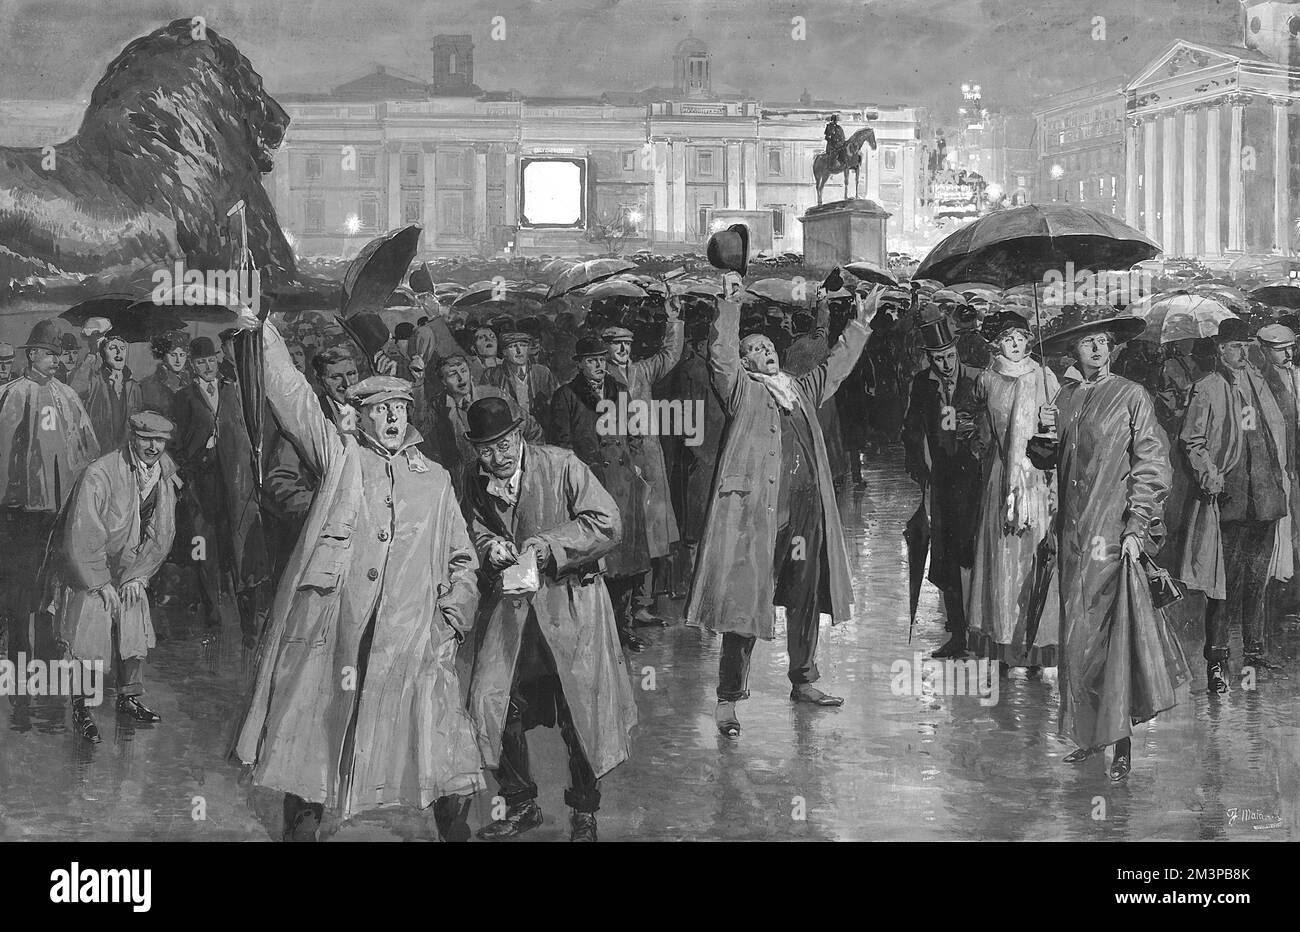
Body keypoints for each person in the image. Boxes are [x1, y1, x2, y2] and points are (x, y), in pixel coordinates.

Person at [232, 320, 484, 843]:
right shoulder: (342, 458)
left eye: (400, 410)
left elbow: (463, 559)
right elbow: (295, 402)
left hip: (415, 637)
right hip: (342, 630)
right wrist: (264, 333)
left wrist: (452, 620)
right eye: (380, 410)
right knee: (312, 745)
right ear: (361, 415)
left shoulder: (435, 481)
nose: (392, 418)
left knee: (444, 757)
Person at [686, 275, 880, 738]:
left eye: (768, 347)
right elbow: (722, 357)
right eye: (755, 349)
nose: (765, 352)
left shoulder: (799, 388)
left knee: (806, 597)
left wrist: (860, 322)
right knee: (743, 607)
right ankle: (728, 700)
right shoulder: (742, 391)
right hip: (759, 516)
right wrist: (730, 307)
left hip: (807, 512)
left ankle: (805, 679)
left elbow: (836, 367)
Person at [460, 397, 638, 842]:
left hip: (571, 607)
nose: (496, 458)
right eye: (485, 450)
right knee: (496, 702)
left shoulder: (562, 465)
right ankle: (521, 806)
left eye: (503, 445)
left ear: (519, 436)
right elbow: (474, 526)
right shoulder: (473, 478)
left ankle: (583, 812)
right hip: (514, 611)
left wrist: (546, 546)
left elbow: (607, 522)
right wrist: (488, 548)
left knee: (579, 710)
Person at [1038, 306, 1188, 781]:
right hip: (1072, 539)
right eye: (1088, 342)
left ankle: (1120, 742)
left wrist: (1135, 526)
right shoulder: (1063, 399)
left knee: (1113, 640)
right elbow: (1048, 463)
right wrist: (1043, 431)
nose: (1098, 348)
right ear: (1073, 352)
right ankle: (1088, 737)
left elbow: (1152, 465)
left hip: (1113, 538)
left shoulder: (1132, 396)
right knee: (1077, 641)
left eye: (1104, 340)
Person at [43, 411, 180, 742]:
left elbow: (163, 533)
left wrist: (139, 576)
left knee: (132, 622)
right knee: (91, 630)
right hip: (87, 569)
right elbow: (83, 532)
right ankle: (82, 707)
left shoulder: (163, 475)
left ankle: (129, 697)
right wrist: (100, 581)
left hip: (128, 567)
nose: (153, 447)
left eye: (159, 441)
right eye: (146, 439)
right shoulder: (100, 473)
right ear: (132, 438)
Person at [1178, 317, 1287, 692]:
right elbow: (1192, 441)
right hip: (1230, 498)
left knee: (1257, 581)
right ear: (1220, 350)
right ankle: (1217, 660)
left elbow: (1279, 427)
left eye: (1246, 345)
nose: (1243, 352)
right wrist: (1209, 471)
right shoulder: (1207, 388)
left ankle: (1255, 654)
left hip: (1266, 496)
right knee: (1222, 585)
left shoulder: (1260, 382)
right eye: (1235, 346)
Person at [964, 309, 1061, 673]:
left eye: (1021, 336)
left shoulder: (1045, 376)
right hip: (999, 481)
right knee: (1002, 562)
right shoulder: (987, 380)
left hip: (1036, 480)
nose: (1016, 344)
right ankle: (1003, 643)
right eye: (1008, 339)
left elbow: (1060, 427)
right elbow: (982, 430)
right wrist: (979, 444)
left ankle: (1036, 646)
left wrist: (1053, 422)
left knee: (1034, 559)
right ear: (996, 344)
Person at [0, 319, 100, 667]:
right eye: (47, 353)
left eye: (57, 354)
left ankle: (46, 645)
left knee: (53, 579)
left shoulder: (68, 395)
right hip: (22, 507)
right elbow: (2, 453)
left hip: (63, 505)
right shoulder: (14, 394)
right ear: (32, 356)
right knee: (20, 579)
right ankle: (18, 650)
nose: (54, 360)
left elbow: (89, 446)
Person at [550, 337, 653, 651]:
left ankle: (622, 629)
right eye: (592, 360)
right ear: (579, 363)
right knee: (598, 561)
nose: (599, 366)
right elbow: (562, 447)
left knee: (628, 563)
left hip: (623, 481)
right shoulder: (565, 396)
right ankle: (597, 634)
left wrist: (634, 464)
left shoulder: (619, 391)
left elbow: (635, 432)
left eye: (602, 360)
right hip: (591, 484)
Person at [172, 336, 271, 646]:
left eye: (211, 360)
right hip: (202, 487)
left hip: (235, 485)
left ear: (217, 360)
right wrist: (198, 455)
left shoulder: (234, 392)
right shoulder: (184, 398)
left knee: (241, 554)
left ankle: (248, 625)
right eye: (200, 362)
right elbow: (177, 443)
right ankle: (213, 620)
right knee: (205, 553)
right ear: (192, 366)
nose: (207, 366)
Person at [901, 310, 985, 659]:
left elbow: (994, 423)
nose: (946, 364)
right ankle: (957, 634)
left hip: (979, 480)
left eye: (950, 357)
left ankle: (986, 633)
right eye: (939, 359)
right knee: (948, 557)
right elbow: (911, 427)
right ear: (930, 359)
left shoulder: (979, 380)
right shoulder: (922, 384)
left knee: (977, 554)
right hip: (943, 483)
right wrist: (919, 465)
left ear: (957, 352)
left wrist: (976, 432)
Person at [601, 305, 684, 625]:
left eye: (627, 343)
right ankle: (619, 610)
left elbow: (669, 354)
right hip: (619, 467)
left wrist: (673, 320)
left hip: (648, 461)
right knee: (623, 536)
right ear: (606, 347)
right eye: (616, 343)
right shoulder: (601, 377)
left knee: (651, 534)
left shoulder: (641, 372)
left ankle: (643, 604)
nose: (622, 349)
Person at [425, 354, 540, 497]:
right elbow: (430, 449)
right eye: (453, 374)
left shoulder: (493, 394)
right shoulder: (437, 407)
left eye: (463, 370)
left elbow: (532, 429)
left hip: (506, 479)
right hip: (464, 486)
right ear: (443, 381)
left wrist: (528, 468)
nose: (461, 378)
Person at [1258, 323, 1300, 614]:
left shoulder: (1296, 376)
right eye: (1281, 350)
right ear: (1265, 351)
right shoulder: (1262, 381)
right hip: (1282, 464)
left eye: (1290, 348)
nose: (1288, 354)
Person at [485, 331, 558, 438]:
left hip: (540, 433)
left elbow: (557, 402)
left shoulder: (542, 372)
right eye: (513, 346)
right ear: (504, 352)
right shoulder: (492, 375)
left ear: (528, 349)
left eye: (523, 346)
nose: (519, 351)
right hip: (507, 433)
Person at [78, 331, 142, 451]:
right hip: (99, 453)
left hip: (126, 454)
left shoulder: (134, 387)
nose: (119, 352)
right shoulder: (94, 382)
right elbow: (76, 389)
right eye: (113, 348)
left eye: (122, 348)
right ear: (102, 353)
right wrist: (92, 353)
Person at [137, 331, 190, 424]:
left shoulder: (192, 383)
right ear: (163, 355)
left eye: (182, 355)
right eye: (173, 355)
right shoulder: (146, 385)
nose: (178, 360)